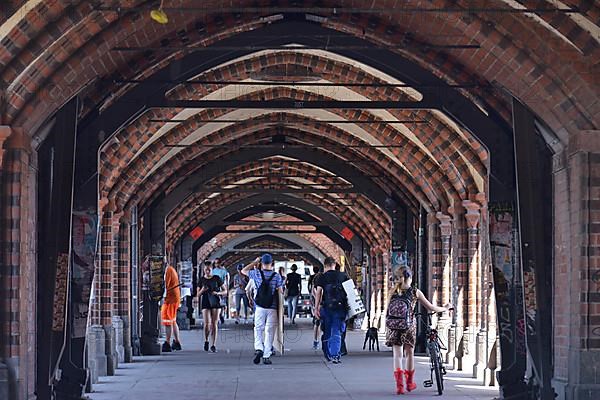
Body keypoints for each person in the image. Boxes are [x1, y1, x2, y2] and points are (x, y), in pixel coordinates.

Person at [386, 266, 452, 394]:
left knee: (397, 355)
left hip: (394, 326)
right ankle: (409, 383)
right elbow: (431, 307)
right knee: (409, 354)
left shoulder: (392, 291)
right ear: (409, 277)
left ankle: (400, 387)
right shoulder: (415, 292)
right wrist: (445, 308)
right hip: (409, 326)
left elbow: (387, 312)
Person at [241, 254, 284, 365]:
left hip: (259, 306)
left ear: (262, 263)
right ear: (272, 263)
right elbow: (281, 292)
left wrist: (255, 262)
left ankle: (258, 348)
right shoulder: (277, 276)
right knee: (269, 331)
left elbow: (243, 271)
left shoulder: (256, 273)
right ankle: (266, 355)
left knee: (258, 328)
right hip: (272, 308)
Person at [314, 256, 348, 364]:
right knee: (337, 331)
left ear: (325, 265)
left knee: (327, 331)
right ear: (334, 265)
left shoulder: (321, 277)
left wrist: (316, 308)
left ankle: (328, 353)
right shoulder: (343, 276)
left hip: (326, 308)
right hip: (340, 308)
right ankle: (335, 354)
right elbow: (351, 293)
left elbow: (318, 292)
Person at [198, 262, 227, 352]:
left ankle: (213, 344)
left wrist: (217, 293)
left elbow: (225, 291)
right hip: (206, 301)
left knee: (214, 324)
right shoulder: (202, 280)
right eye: (205, 270)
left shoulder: (216, 278)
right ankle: (206, 340)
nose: (207, 271)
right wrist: (203, 290)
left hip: (215, 301)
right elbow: (197, 294)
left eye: (209, 270)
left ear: (212, 270)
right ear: (203, 270)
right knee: (207, 323)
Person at [161, 264, 182, 352]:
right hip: (174, 297)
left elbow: (166, 285)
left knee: (167, 321)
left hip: (170, 299)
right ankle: (177, 342)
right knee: (173, 320)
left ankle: (167, 342)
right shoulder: (171, 269)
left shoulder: (168, 271)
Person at [308, 265, 322, 349]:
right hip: (320, 304)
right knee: (318, 323)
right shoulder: (320, 281)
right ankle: (317, 340)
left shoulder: (312, 279)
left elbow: (312, 290)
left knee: (317, 323)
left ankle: (315, 341)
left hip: (315, 303)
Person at [211, 258, 229, 323]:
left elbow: (226, 280)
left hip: (222, 287)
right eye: (215, 263)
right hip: (215, 287)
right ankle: (218, 316)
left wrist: (227, 289)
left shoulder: (224, 271)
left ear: (220, 263)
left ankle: (221, 314)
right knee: (216, 302)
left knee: (222, 303)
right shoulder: (213, 271)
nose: (216, 264)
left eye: (218, 263)